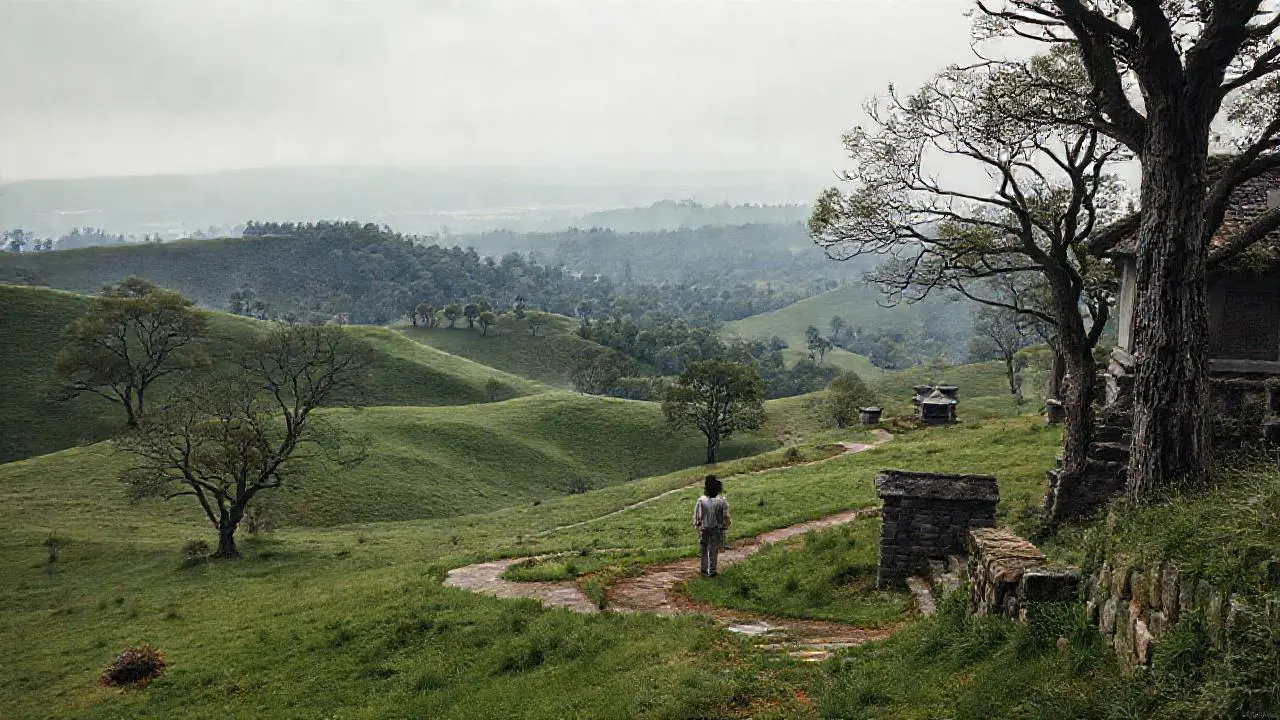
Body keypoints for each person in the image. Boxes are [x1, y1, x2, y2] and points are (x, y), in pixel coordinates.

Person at [693, 474, 730, 577]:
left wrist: (697, 524)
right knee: (713, 549)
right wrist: (726, 525)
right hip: (716, 529)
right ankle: (712, 571)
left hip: (704, 528)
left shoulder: (701, 500)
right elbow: (725, 516)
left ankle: (703, 568)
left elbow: (697, 515)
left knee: (704, 548)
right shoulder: (722, 501)